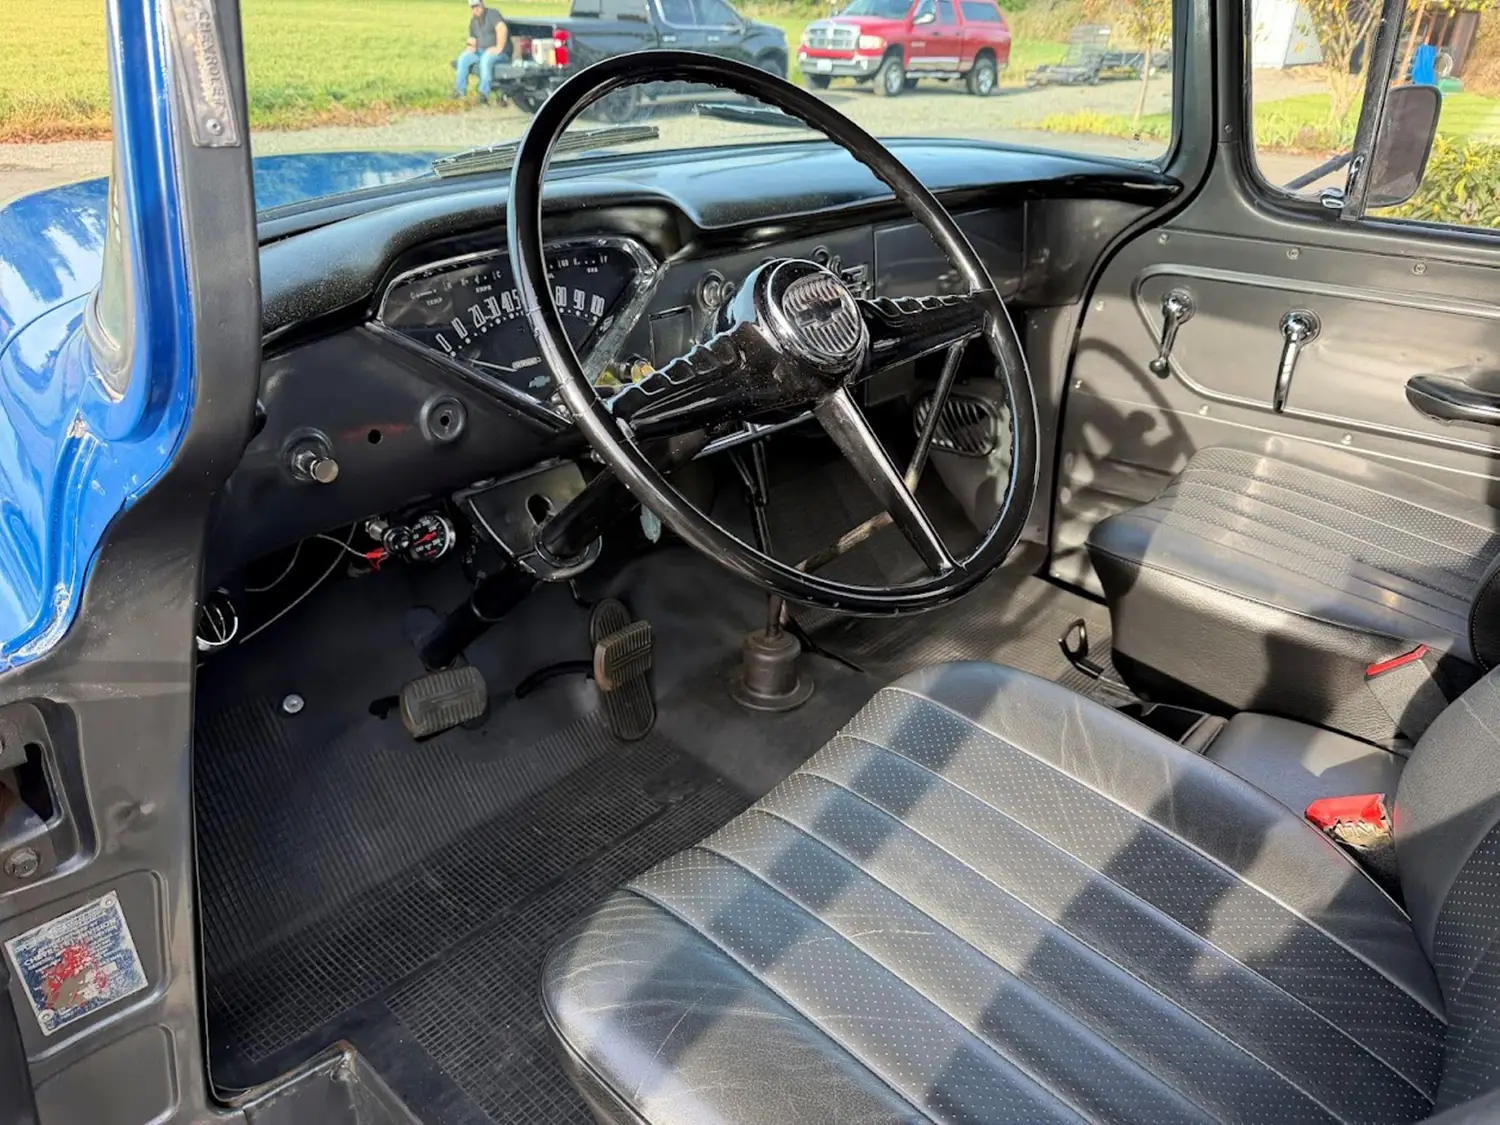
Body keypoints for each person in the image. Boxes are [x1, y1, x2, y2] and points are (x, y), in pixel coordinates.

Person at [453, 0, 509, 105]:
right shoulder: (474, 21)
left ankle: (483, 93)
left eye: (477, 6)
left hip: (500, 53)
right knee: (463, 58)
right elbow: (473, 39)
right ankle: (460, 91)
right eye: (473, 7)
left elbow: (502, 29)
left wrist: (499, 47)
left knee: (486, 59)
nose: (476, 9)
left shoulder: (492, 14)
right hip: (480, 51)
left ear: (482, 3)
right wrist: (470, 47)